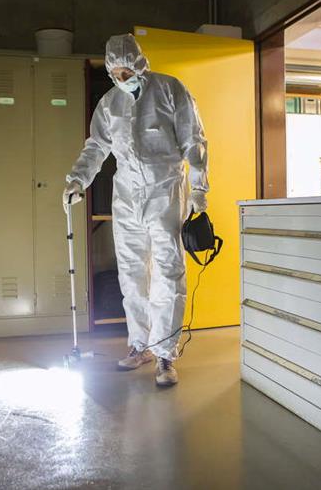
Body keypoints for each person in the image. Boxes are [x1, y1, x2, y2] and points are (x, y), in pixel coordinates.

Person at [62, 34, 208, 387]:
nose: (123, 80)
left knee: (168, 273)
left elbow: (194, 141)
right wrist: (77, 181)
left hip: (165, 191)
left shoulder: (171, 90)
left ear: (141, 64)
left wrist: (200, 191)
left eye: (129, 72)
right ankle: (139, 345)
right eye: (117, 74)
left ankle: (165, 355)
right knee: (130, 273)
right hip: (126, 194)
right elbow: (96, 146)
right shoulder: (110, 103)